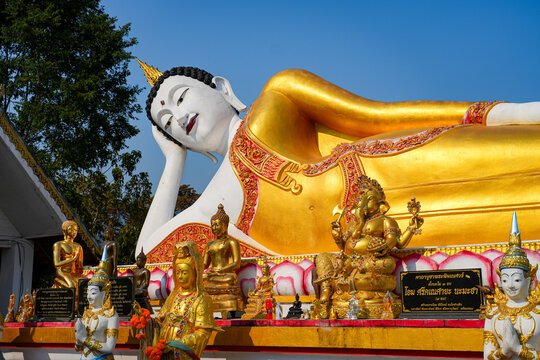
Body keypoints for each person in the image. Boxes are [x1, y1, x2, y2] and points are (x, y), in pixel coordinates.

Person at [136, 62, 540, 258]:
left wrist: (496, 113)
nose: (178, 117)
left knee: (524, 153)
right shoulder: (213, 204)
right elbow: (146, 256)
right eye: (167, 122)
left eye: (181, 98)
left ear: (221, 87)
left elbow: (375, 115)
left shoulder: (277, 95)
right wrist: (174, 162)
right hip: (381, 235)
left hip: (393, 163)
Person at [484, 213, 540, 359]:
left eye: (516, 280)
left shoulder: (538, 312)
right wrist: (503, 352)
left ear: (529, 279)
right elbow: (487, 355)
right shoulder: (493, 313)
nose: (510, 286)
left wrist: (519, 349)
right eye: (505, 280)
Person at [154, 241, 221, 360]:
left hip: (183, 352)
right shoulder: (173, 296)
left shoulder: (201, 299)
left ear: (195, 274)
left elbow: (203, 333)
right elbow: (159, 321)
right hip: (164, 350)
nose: (180, 277)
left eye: (184, 273)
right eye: (177, 272)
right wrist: (147, 323)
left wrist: (181, 343)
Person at [75, 247, 119, 360]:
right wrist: (78, 340)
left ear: (103, 292)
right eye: (88, 292)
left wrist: (84, 339)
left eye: (93, 293)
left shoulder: (111, 316)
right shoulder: (86, 313)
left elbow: (109, 347)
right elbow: (79, 346)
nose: (89, 297)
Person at [53, 220, 84, 288]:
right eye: (71, 229)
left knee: (85, 285)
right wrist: (73, 259)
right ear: (64, 230)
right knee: (71, 287)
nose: (74, 232)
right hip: (63, 271)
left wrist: (79, 266)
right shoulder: (58, 244)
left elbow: (79, 266)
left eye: (75, 230)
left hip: (73, 273)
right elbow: (56, 264)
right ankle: (57, 281)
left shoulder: (78, 246)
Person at [133, 249, 153, 313]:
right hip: (135, 289)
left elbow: (146, 283)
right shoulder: (134, 271)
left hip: (141, 290)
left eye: (139, 260)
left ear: (144, 262)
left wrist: (139, 288)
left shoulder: (145, 271)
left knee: (141, 292)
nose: (137, 262)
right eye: (137, 260)